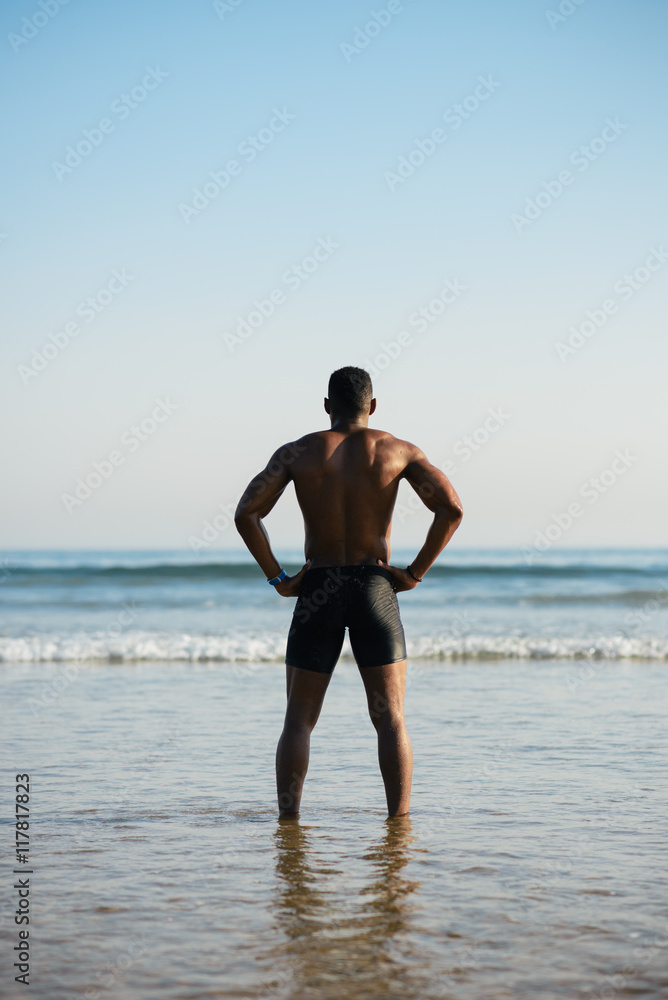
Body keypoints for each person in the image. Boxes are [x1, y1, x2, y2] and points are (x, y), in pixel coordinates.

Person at [234, 367, 463, 818]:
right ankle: (398, 823)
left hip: (318, 587)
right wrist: (414, 573)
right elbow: (451, 510)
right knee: (390, 719)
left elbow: (246, 513)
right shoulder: (399, 450)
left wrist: (280, 578)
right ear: (372, 405)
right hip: (374, 588)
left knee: (299, 720)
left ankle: (289, 822)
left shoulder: (297, 452)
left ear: (326, 407)